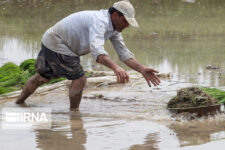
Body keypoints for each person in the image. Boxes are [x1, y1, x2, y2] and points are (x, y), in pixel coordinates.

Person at [16, 0, 161, 111]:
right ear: (115, 15)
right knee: (79, 79)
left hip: (55, 42)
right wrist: (115, 68)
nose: (127, 25)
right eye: (125, 21)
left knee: (43, 77)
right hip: (58, 43)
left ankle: (19, 103)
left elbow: (124, 53)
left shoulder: (114, 29)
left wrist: (142, 70)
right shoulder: (100, 21)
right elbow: (97, 52)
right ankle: (74, 114)